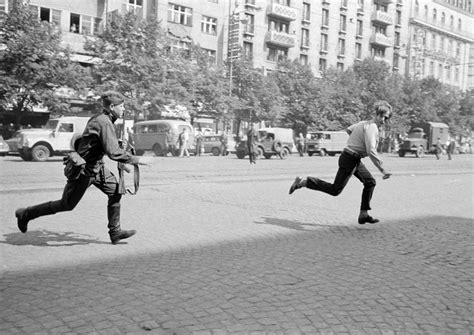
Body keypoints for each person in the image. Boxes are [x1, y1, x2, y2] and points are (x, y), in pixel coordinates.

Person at [14, 91, 150, 244]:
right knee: (66, 204)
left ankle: (115, 232)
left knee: (115, 192)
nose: (124, 110)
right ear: (112, 107)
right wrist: (136, 159)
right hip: (83, 171)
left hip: (97, 168)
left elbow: (99, 144)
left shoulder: (103, 120)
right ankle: (26, 213)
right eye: (122, 107)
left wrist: (117, 145)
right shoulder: (104, 122)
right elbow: (112, 152)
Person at [289, 100, 393, 225]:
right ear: (376, 114)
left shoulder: (364, 123)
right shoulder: (372, 127)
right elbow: (371, 150)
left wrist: (356, 141)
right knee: (335, 190)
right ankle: (302, 183)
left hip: (353, 158)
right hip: (350, 158)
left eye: (385, 118)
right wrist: (382, 169)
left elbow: (349, 130)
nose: (383, 120)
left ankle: (363, 214)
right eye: (381, 116)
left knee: (370, 182)